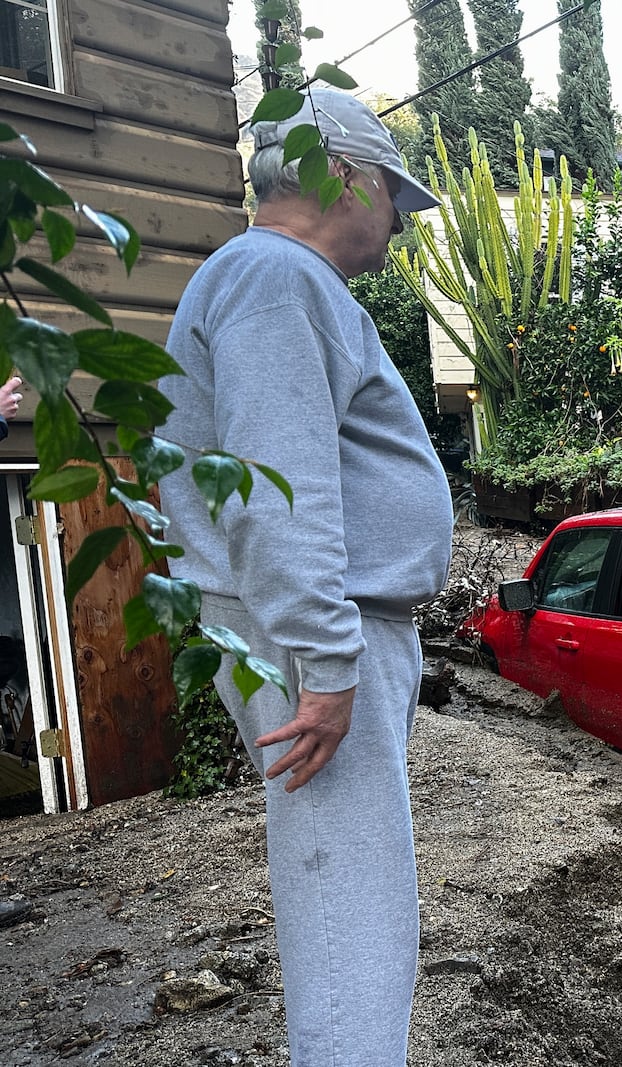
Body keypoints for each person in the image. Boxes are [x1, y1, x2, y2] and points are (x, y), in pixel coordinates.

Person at [160, 88, 453, 1066]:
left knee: (348, 883)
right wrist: (326, 663)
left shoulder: (270, 279)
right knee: (351, 896)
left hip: (319, 626)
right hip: (320, 632)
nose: (398, 224)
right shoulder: (273, 276)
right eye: (394, 198)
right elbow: (275, 492)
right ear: (347, 178)